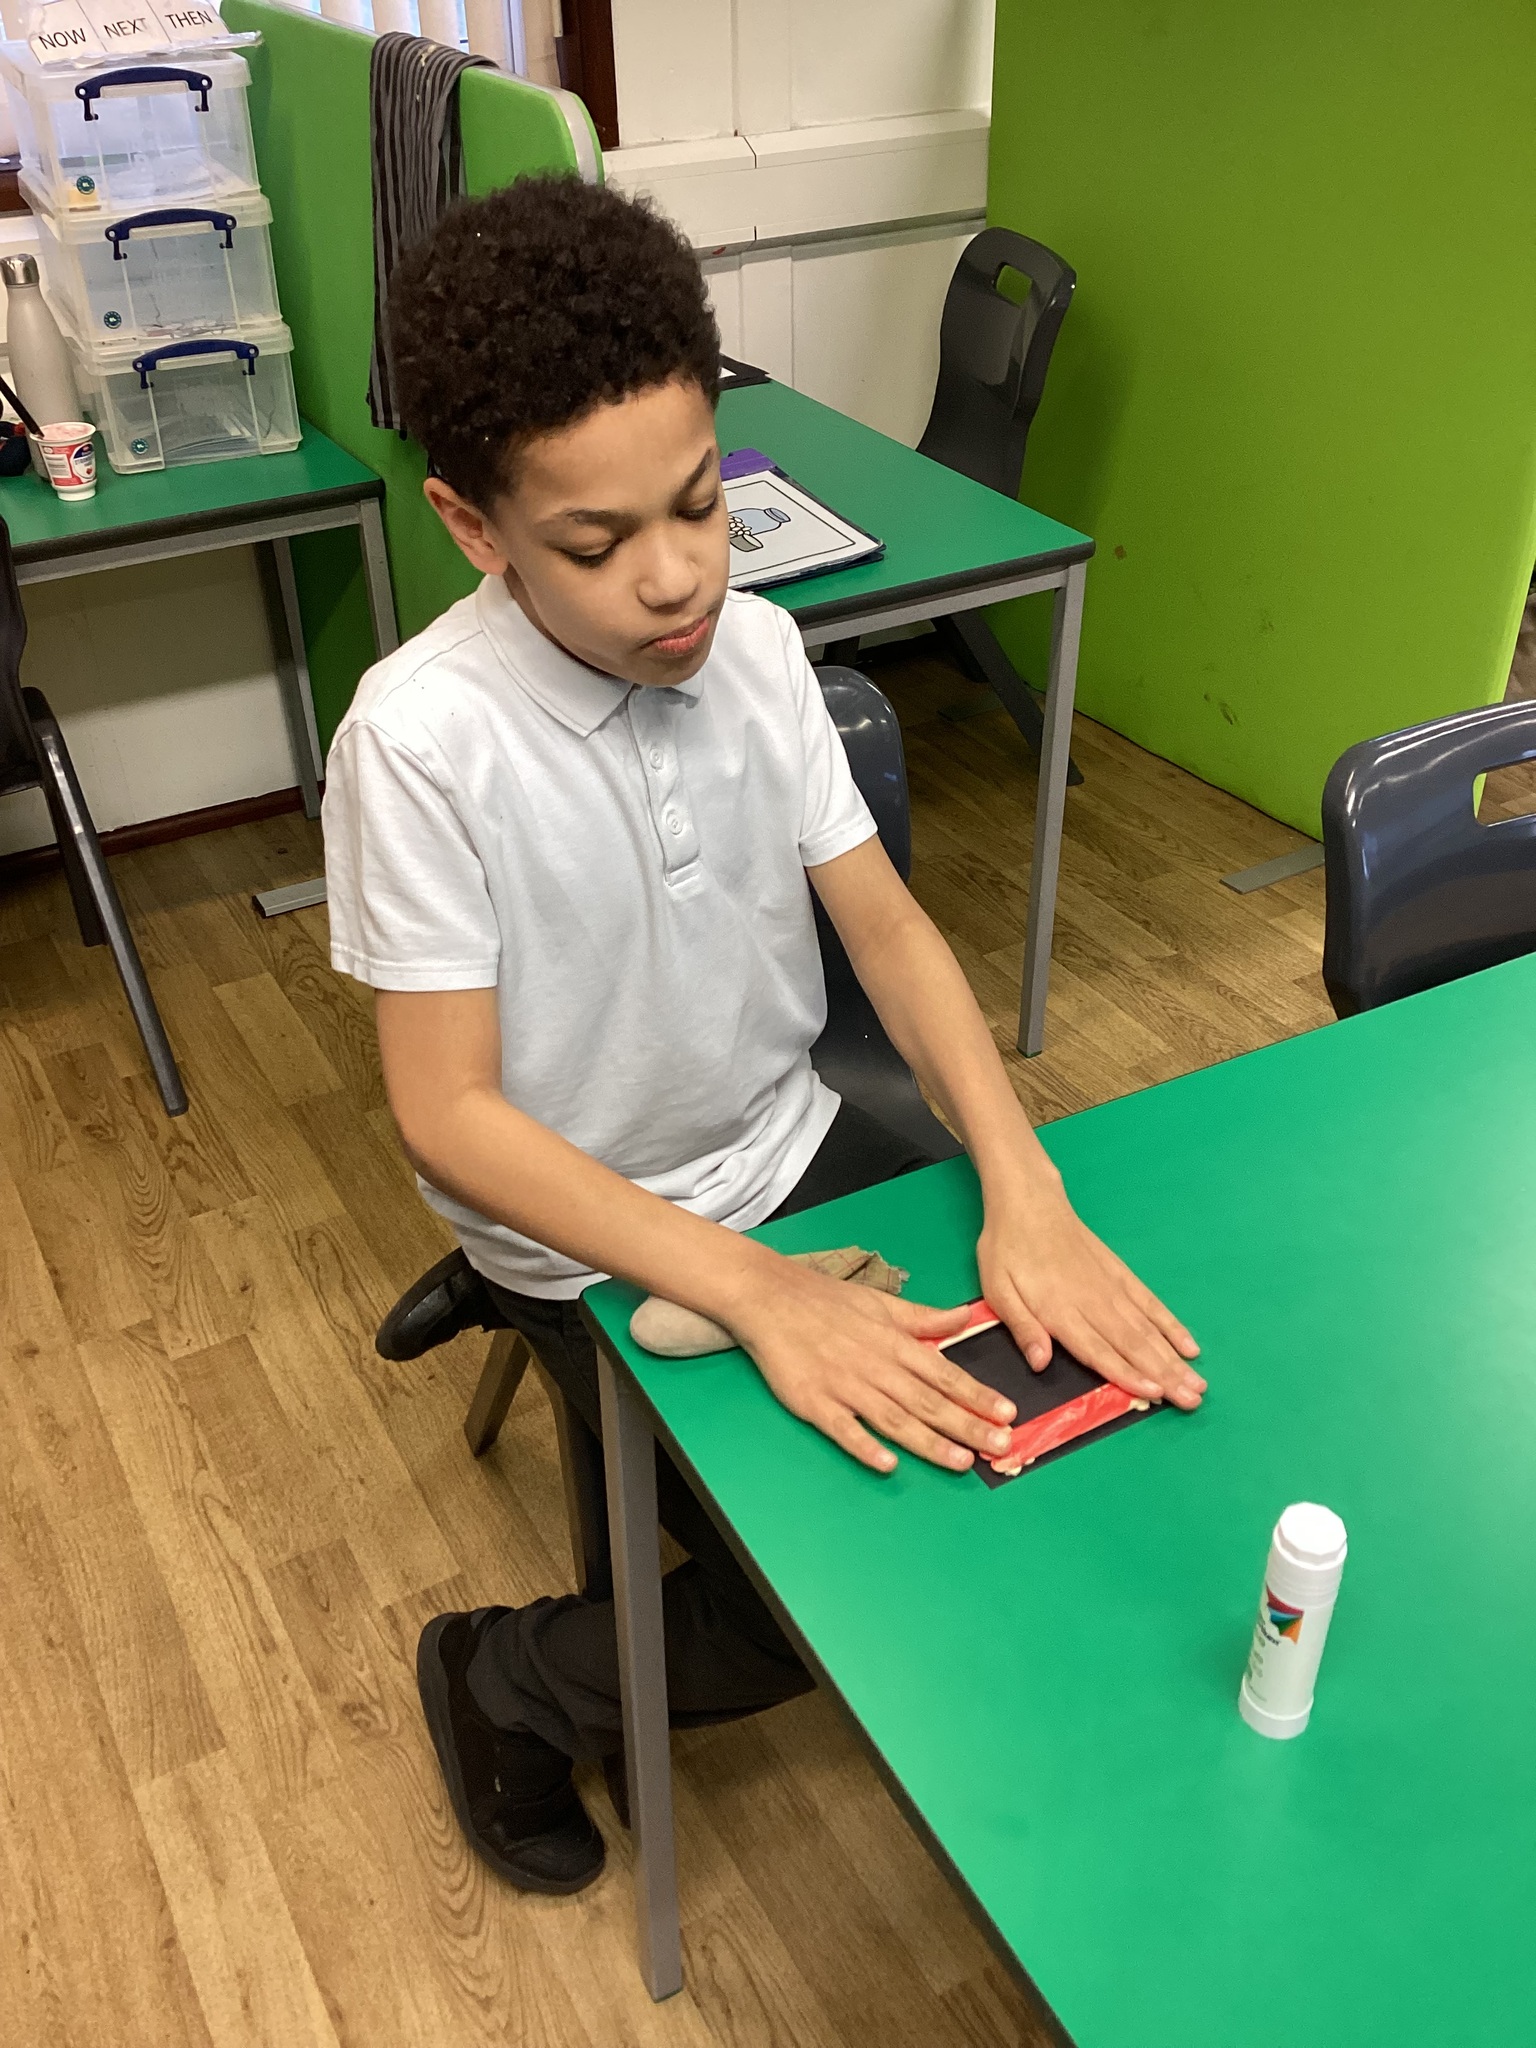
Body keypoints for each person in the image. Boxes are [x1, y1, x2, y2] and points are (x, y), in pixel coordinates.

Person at [322, 175, 1204, 1898]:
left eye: (701, 503)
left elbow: (889, 932)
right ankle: (501, 1682)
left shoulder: (764, 650)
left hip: (783, 1137)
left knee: (1049, 1420)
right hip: (589, 1226)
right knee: (820, 1602)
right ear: (475, 527)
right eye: (595, 546)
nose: (676, 580)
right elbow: (449, 1113)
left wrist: (1021, 1181)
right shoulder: (420, 744)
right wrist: (753, 1291)